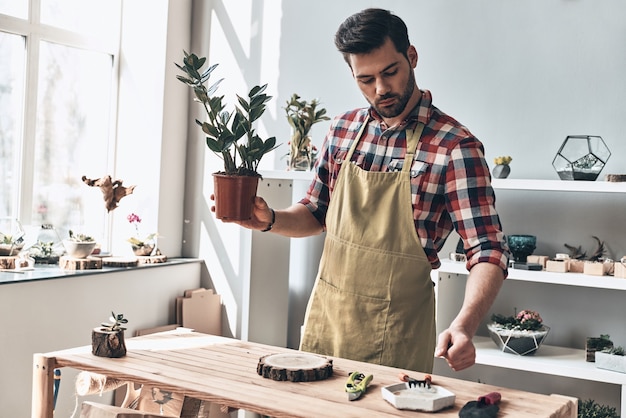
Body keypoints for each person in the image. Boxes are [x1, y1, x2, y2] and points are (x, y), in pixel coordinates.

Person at [227, 8, 509, 373]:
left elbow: (487, 248)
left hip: (397, 336)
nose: (380, 89)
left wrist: (464, 324)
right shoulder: (342, 130)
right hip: (326, 323)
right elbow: (316, 212)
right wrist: (270, 220)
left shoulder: (455, 147)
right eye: (366, 79)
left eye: (389, 72)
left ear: (412, 56)